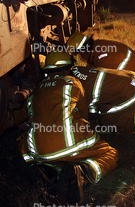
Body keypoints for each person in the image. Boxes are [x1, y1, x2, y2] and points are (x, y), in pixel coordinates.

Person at [19, 51, 118, 203]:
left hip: (37, 151)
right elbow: (84, 114)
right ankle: (84, 172)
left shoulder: (36, 90)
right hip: (70, 143)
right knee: (110, 154)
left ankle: (46, 170)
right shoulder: (72, 83)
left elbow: (27, 116)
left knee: (56, 155)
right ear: (66, 69)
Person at [66, 32, 135, 100]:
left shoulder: (102, 57)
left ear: (84, 50)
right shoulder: (97, 51)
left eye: (79, 54)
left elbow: (105, 87)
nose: (80, 58)